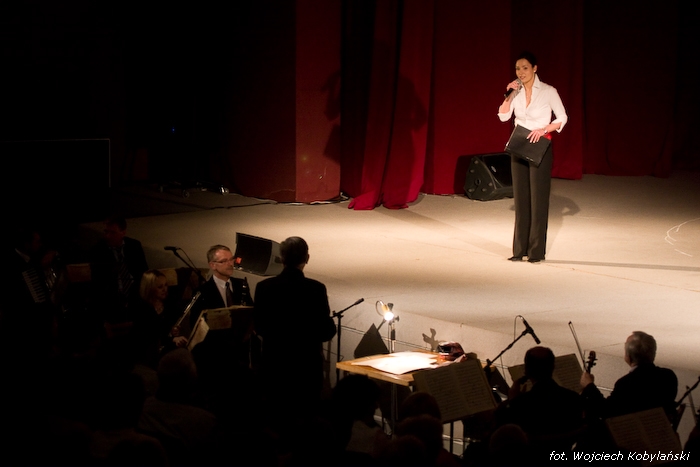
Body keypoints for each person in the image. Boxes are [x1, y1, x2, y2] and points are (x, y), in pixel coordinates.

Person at [253, 236, 337, 437]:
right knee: (306, 428)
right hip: (306, 370)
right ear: (307, 258)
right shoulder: (316, 289)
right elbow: (326, 331)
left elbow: (259, 327)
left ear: (281, 258)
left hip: (275, 368)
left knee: (277, 425)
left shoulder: (264, 287)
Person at [498, 51, 568, 263]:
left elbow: (562, 117)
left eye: (525, 68)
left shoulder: (548, 91)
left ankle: (536, 251)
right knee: (521, 199)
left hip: (539, 145)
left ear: (535, 68)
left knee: (538, 200)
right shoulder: (516, 92)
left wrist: (544, 129)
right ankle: (519, 250)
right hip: (520, 144)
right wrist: (509, 94)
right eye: (518, 69)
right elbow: (503, 116)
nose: (521, 72)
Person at [494, 346, 583, 457]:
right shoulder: (573, 398)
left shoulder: (522, 403)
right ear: (553, 367)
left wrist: (512, 400)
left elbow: (500, 427)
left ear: (527, 371)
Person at [580, 331, 678, 422]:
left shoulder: (626, 383)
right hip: (659, 431)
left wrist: (589, 386)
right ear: (653, 353)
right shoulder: (668, 376)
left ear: (628, 356)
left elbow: (607, 411)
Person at [89, 215, 149, 321]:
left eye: (112, 232)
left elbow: (143, 271)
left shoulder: (133, 246)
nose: (108, 236)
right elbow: (99, 282)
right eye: (106, 232)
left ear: (123, 233)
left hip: (135, 295)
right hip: (111, 299)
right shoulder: (98, 250)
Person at [131, 269, 188, 367]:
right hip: (151, 353)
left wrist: (174, 329)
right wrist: (172, 339)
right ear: (150, 289)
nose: (165, 289)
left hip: (167, 345)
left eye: (166, 285)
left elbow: (171, 324)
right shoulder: (142, 309)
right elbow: (150, 336)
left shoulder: (168, 303)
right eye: (160, 287)